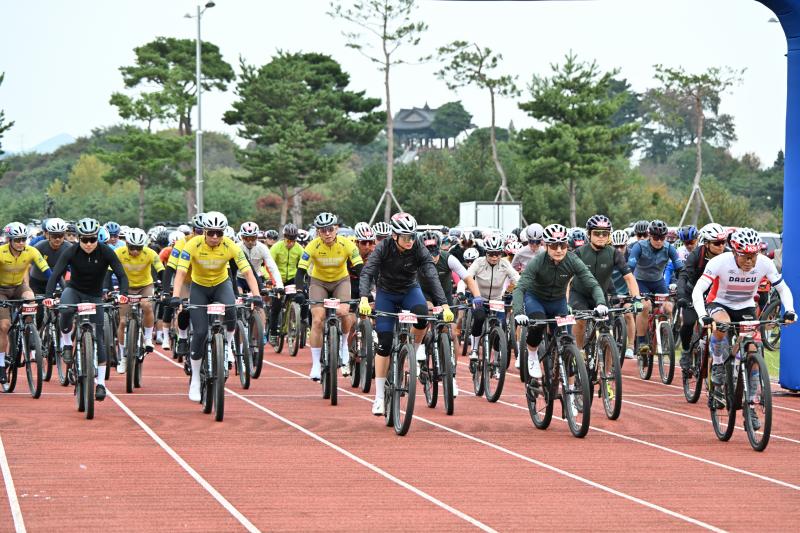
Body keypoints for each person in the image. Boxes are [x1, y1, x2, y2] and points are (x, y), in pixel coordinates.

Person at [692, 228, 796, 423]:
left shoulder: (765, 263)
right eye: (745, 256)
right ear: (734, 252)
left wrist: (789, 310)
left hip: (746, 306)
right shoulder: (719, 262)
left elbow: (783, 288)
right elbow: (698, 290)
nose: (750, 261)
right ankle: (718, 365)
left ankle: (750, 405)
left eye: (753, 256)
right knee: (722, 325)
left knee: (752, 348)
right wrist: (702, 315)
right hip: (719, 303)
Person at [359, 212, 454, 416]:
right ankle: (379, 398)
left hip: (410, 290)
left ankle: (415, 350)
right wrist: (364, 298)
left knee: (422, 316)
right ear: (394, 236)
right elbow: (367, 272)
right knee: (384, 342)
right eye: (405, 237)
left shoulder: (418, 246)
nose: (410, 240)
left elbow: (430, 272)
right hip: (387, 294)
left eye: (412, 236)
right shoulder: (383, 248)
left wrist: (444, 304)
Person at [169, 211, 262, 402]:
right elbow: (180, 273)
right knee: (201, 332)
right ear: (203, 232)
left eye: (219, 233)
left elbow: (248, 272)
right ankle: (195, 379)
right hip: (199, 288)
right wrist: (176, 296)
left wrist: (257, 295)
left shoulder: (231, 246)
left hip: (221, 285)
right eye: (211, 232)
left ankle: (226, 346)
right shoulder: (192, 245)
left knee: (232, 309)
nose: (214, 237)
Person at [512, 224, 607, 389]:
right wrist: (519, 312)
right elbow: (520, 288)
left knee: (567, 341)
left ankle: (569, 389)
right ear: (546, 245)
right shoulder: (538, 261)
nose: (558, 250)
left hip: (559, 302)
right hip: (536, 299)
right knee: (539, 323)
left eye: (562, 245)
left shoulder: (572, 260)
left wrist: (600, 303)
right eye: (554, 245)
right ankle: (532, 355)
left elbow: (592, 284)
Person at [43, 218, 128, 401]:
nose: (88, 244)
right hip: (74, 291)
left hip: (95, 295)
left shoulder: (106, 251)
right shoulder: (71, 251)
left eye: (92, 239)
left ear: (97, 238)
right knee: (65, 310)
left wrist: (124, 294)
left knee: (99, 336)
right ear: (79, 238)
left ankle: (101, 384)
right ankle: (66, 342)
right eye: (84, 240)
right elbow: (56, 274)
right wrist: (48, 296)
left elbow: (121, 274)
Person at [295, 213, 363, 380]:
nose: (327, 233)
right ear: (318, 232)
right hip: (319, 282)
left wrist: (366, 291)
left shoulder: (347, 244)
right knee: (318, 319)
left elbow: (360, 267)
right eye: (323, 230)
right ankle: (316, 364)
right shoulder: (312, 246)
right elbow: (301, 271)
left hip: (341, 281)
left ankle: (343, 347)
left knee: (345, 313)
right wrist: (298, 291)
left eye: (330, 229)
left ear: (336, 229)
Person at [570, 215, 641, 355]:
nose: (601, 236)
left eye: (605, 233)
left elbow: (629, 278)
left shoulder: (614, 253)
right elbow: (567, 279)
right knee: (581, 321)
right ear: (589, 234)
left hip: (600, 296)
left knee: (608, 333)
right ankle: (577, 354)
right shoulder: (579, 252)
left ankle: (607, 374)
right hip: (579, 294)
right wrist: (564, 300)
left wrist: (637, 298)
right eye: (597, 233)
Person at [0, 222, 52, 384]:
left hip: (19, 286)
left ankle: (29, 329)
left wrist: (58, 288)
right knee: (4, 326)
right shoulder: (1, 252)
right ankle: (1, 364)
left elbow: (47, 271)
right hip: (1, 289)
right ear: (10, 240)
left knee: (31, 296)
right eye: (18, 240)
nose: (21, 242)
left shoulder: (31, 251)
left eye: (23, 239)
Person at [627, 219, 684, 358]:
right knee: (645, 306)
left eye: (662, 238)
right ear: (649, 236)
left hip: (658, 282)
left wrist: (681, 285)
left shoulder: (669, 248)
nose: (659, 241)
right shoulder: (639, 247)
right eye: (656, 237)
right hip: (640, 281)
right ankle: (641, 342)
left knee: (669, 307)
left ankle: (665, 334)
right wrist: (631, 289)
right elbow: (629, 269)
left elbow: (680, 269)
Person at [676, 223, 728, 373]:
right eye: (717, 243)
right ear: (706, 243)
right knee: (689, 322)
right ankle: (686, 352)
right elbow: (683, 275)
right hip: (693, 292)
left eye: (724, 242)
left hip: (716, 296)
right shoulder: (696, 255)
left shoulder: (729, 254)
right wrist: (681, 296)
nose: (721, 247)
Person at [113, 228, 165, 374]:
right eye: (132, 248)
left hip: (145, 286)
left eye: (139, 248)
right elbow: (108, 272)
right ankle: (123, 357)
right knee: (123, 321)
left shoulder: (151, 253)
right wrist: (106, 289)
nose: (135, 251)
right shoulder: (118, 253)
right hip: (126, 287)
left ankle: (148, 339)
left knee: (147, 305)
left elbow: (161, 270)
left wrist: (165, 288)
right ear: (126, 244)